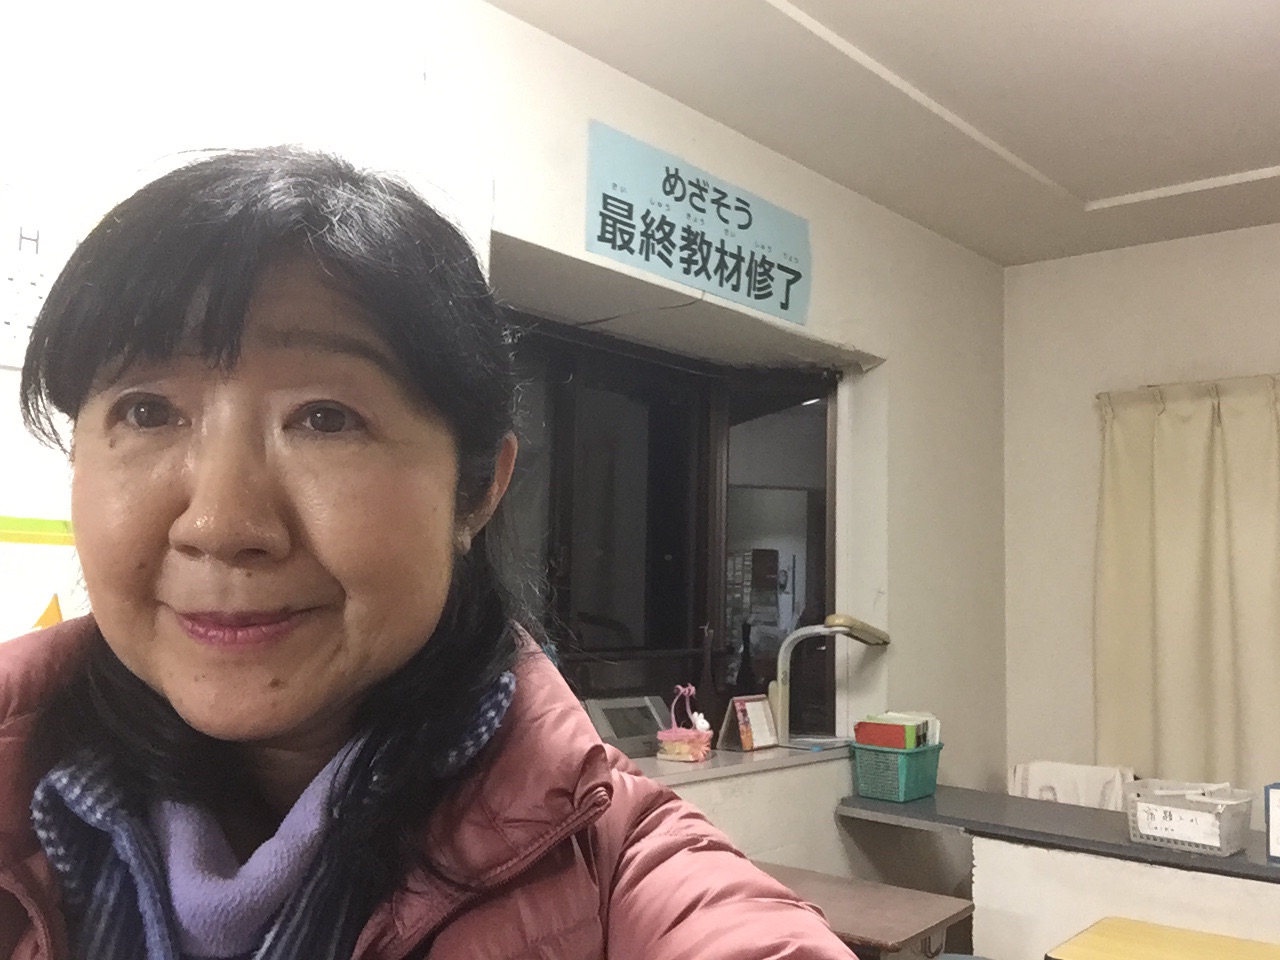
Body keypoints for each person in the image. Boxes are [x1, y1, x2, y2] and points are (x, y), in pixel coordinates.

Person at [0, 148, 852, 959]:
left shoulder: (614, 867)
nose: (220, 524)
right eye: (147, 412)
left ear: (477, 490)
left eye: (326, 418)